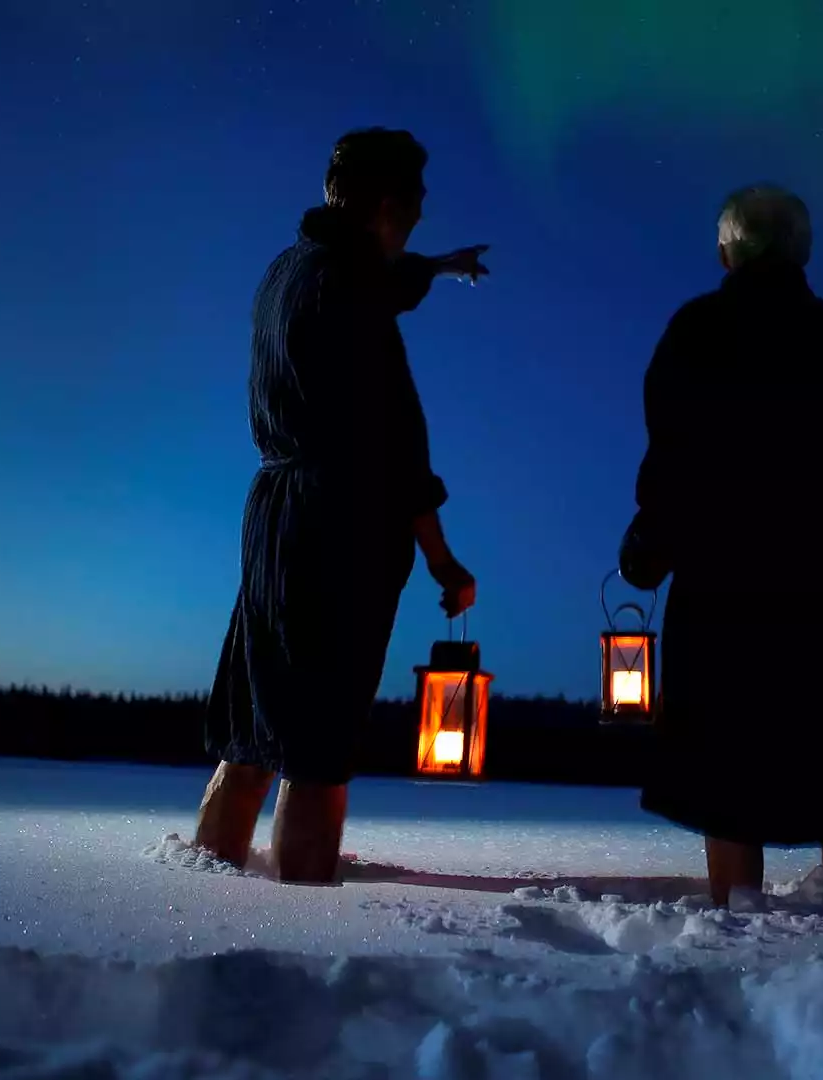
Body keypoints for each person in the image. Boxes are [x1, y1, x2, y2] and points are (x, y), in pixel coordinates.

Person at [194, 128, 487, 884]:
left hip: (274, 519)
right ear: (387, 205)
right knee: (318, 749)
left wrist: (438, 267)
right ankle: (295, 951)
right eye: (415, 205)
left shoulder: (288, 272)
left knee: (254, 734)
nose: (421, 217)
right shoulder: (352, 288)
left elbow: (381, 279)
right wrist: (443, 559)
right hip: (338, 521)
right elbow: (396, 445)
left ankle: (201, 899)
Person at [619, 184, 823, 909]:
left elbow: (673, 463)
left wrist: (647, 551)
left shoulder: (698, 333)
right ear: (803, 250)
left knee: (727, 779)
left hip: (724, 591)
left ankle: (736, 923)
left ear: (726, 250)